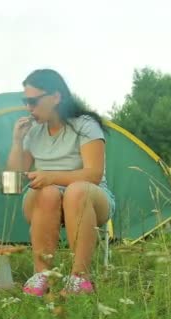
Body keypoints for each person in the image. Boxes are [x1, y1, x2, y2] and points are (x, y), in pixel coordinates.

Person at [7, 69, 116, 296]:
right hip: (44, 203)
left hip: (90, 199)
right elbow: (12, 184)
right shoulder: (33, 132)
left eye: (33, 101)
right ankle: (42, 275)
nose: (29, 108)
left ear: (55, 97)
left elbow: (93, 175)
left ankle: (80, 279)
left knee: (75, 191)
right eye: (25, 101)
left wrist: (52, 176)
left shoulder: (85, 125)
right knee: (47, 192)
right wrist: (17, 142)